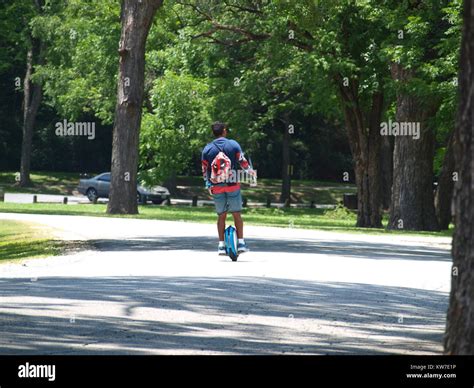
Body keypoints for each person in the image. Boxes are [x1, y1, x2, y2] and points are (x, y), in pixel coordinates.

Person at [201, 122, 256, 255]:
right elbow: (242, 161)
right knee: (236, 214)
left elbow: (204, 170)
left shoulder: (207, 149)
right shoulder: (233, 144)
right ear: (224, 131)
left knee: (221, 216)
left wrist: (208, 184)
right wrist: (250, 171)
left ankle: (221, 246)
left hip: (216, 185)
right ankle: (241, 243)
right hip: (232, 184)